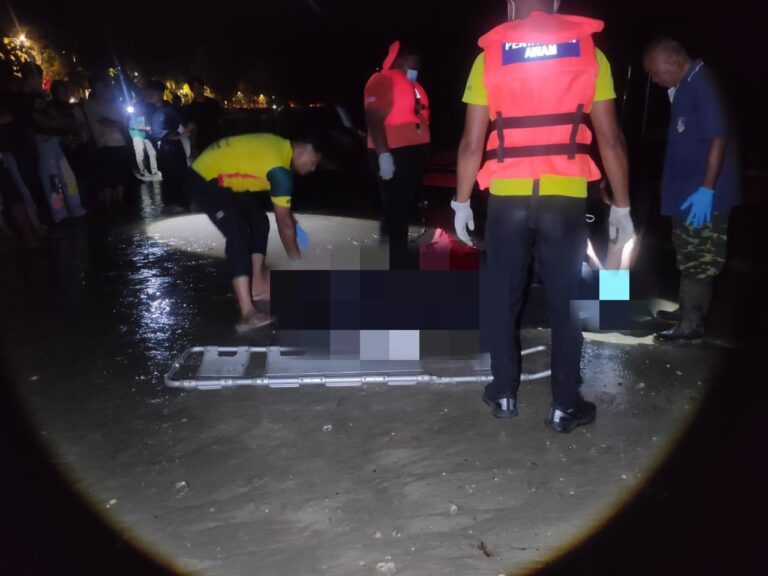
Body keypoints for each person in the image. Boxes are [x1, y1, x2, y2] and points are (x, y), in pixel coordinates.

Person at [454, 0, 634, 432]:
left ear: (511, 6)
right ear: (555, 3)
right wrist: (623, 205)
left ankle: (503, 394)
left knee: (503, 297)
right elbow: (611, 140)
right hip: (563, 196)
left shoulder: (488, 58)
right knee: (567, 302)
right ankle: (565, 405)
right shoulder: (590, 53)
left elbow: (471, 143)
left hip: (507, 197)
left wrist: (461, 201)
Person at [643, 38, 741, 343]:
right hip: (687, 193)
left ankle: (691, 325)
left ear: (672, 59)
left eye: (655, 72)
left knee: (699, 257)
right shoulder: (685, 85)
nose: (654, 79)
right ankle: (686, 310)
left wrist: (707, 189)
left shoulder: (703, 82)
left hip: (704, 196)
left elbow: (718, 138)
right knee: (687, 252)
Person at [186, 133, 323, 331]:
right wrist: (298, 265)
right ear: (304, 149)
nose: (313, 168)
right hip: (204, 177)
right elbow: (283, 225)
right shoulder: (280, 170)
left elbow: (284, 215)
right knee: (238, 231)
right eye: (313, 162)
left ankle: (257, 285)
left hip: (224, 178)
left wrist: (292, 223)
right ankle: (247, 313)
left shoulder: (281, 149)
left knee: (259, 220)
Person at [364, 40, 431, 270]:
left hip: (410, 154)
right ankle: (396, 260)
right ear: (401, 60)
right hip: (392, 153)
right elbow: (373, 120)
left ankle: (391, 253)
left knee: (400, 206)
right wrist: (384, 156)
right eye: (414, 62)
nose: (417, 66)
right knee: (397, 207)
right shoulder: (382, 81)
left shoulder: (411, 85)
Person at [81, 73, 133, 211]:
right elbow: (103, 121)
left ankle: (120, 204)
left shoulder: (113, 103)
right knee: (107, 180)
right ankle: (109, 208)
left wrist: (123, 121)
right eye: (98, 86)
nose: (102, 89)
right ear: (93, 88)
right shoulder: (91, 104)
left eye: (103, 86)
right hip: (104, 145)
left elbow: (124, 119)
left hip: (121, 143)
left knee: (120, 177)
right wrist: (119, 123)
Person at [145, 80, 189, 213]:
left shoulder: (169, 109)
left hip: (173, 146)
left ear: (160, 93)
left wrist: (178, 137)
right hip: (162, 146)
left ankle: (182, 203)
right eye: (148, 92)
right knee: (166, 173)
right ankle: (170, 202)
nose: (149, 95)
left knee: (177, 172)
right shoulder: (150, 110)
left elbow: (183, 126)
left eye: (151, 92)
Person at [183, 76, 223, 157]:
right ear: (191, 90)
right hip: (201, 143)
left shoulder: (214, 103)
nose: (198, 90)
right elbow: (192, 128)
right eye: (195, 88)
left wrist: (221, 138)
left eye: (199, 87)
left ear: (203, 87)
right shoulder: (191, 108)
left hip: (216, 140)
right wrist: (193, 146)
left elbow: (220, 121)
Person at [127, 98, 161, 181]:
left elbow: (147, 124)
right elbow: (132, 126)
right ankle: (143, 171)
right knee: (140, 153)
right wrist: (146, 128)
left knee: (152, 152)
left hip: (145, 135)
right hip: (136, 135)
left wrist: (150, 129)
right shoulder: (132, 113)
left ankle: (154, 170)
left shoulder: (144, 113)